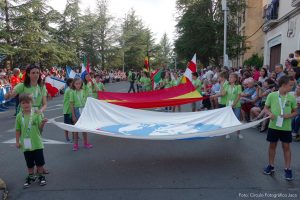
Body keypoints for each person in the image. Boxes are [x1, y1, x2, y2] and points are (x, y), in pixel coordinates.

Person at [263, 75, 297, 181]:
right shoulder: (272, 95)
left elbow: (295, 111)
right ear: (283, 85)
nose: (292, 88)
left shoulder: (291, 97)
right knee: (272, 145)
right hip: (274, 126)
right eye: (290, 85)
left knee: (286, 147)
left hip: (286, 127)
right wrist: (270, 113)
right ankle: (271, 165)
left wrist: (289, 115)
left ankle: (287, 168)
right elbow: (265, 108)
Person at [15, 94, 48, 188]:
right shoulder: (19, 116)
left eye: (28, 102)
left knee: (39, 161)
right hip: (26, 144)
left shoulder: (36, 114)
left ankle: (41, 176)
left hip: (37, 142)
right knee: (29, 162)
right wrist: (17, 141)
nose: (26, 105)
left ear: (31, 103)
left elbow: (40, 129)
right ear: (20, 104)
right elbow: (18, 130)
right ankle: (31, 176)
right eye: (23, 103)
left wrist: (42, 123)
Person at [70, 78, 92, 151]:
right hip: (77, 110)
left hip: (84, 110)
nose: (78, 85)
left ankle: (85, 143)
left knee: (84, 128)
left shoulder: (84, 91)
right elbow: (72, 104)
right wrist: (73, 115)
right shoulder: (72, 92)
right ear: (74, 84)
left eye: (79, 83)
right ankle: (75, 144)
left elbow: (87, 100)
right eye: (76, 84)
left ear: (81, 84)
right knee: (76, 128)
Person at [224, 73, 243, 139]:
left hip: (236, 105)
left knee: (237, 120)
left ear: (235, 79)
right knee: (228, 119)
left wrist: (234, 104)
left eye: (231, 77)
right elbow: (223, 93)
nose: (229, 78)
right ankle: (227, 132)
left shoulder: (238, 86)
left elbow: (239, 96)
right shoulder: (227, 85)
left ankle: (238, 133)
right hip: (228, 105)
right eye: (229, 77)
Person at [63, 78, 74, 142]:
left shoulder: (71, 89)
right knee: (67, 125)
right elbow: (71, 101)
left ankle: (74, 136)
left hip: (71, 110)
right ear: (69, 83)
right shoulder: (68, 90)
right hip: (67, 110)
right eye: (72, 82)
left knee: (73, 124)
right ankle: (67, 137)